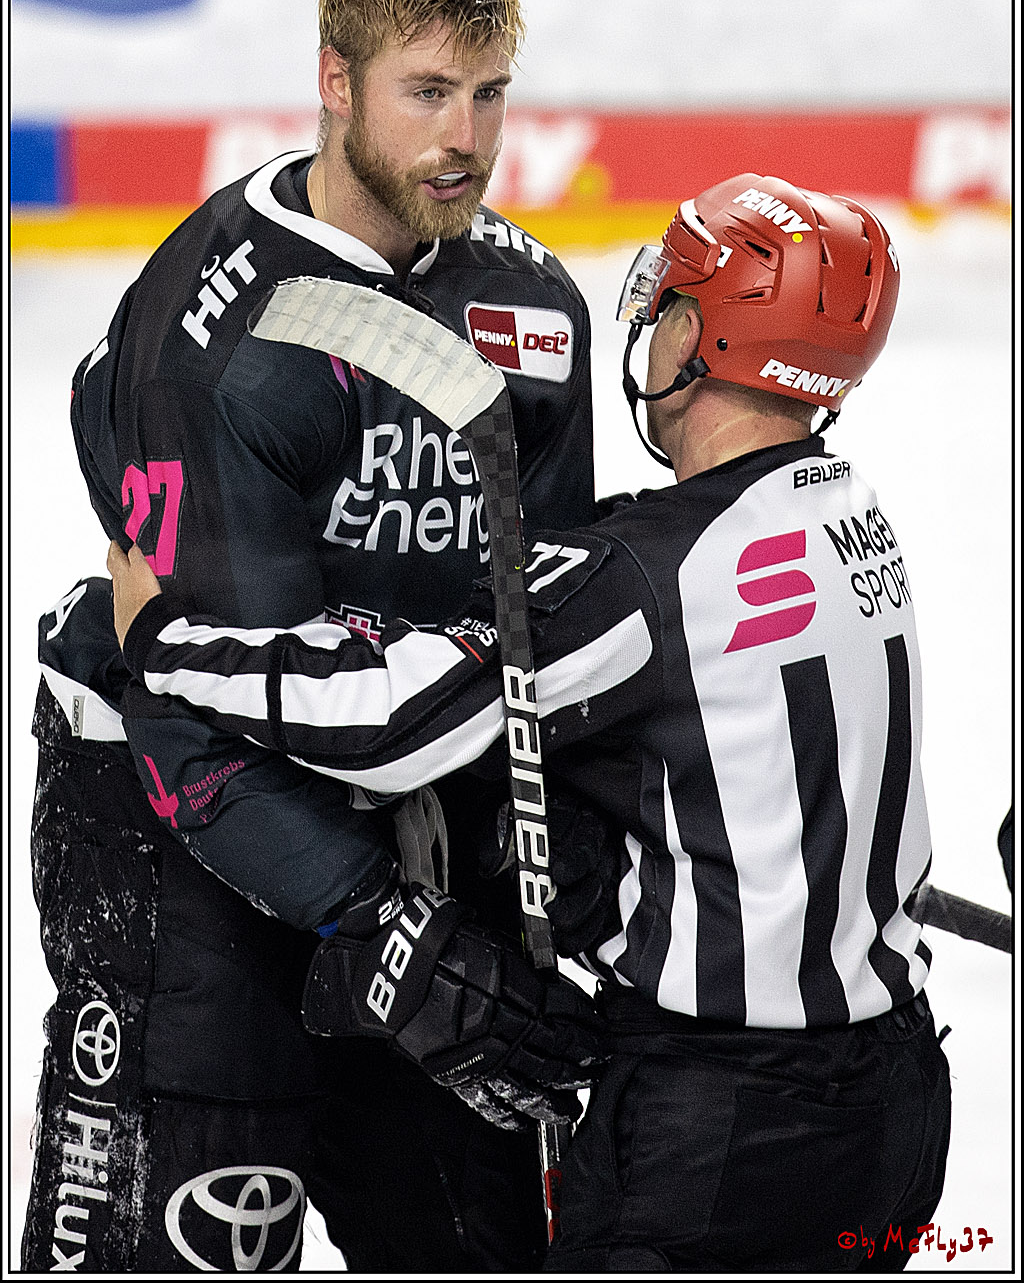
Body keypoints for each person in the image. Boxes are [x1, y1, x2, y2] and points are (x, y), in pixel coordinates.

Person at [106, 173, 952, 1272]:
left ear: (695, 338)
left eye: (671, 302)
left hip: (724, 1133)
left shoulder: (644, 579)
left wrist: (168, 640)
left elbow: (388, 722)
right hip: (896, 1110)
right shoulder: (854, 516)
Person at [24, 0, 601, 1275]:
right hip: (180, 832)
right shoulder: (218, 335)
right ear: (335, 82)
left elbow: (554, 624)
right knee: (193, 1239)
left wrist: (566, 851)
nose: (464, 136)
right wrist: (379, 922)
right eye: (426, 91)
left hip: (417, 821)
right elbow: (184, 702)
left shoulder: (534, 312)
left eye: (488, 94)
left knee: (474, 1233)